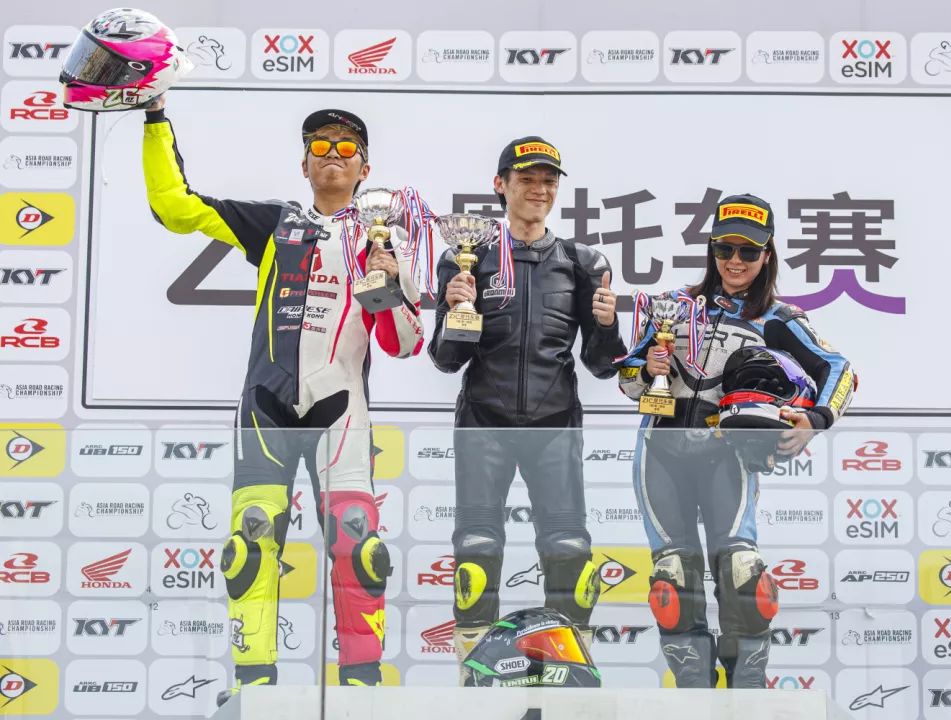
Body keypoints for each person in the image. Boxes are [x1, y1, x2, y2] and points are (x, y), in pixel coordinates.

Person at [142, 96, 425, 695]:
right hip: (266, 404)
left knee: (357, 544)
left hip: (341, 408)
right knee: (250, 541)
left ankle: (361, 688)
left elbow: (403, 344)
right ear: (304, 164)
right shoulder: (276, 223)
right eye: (320, 146)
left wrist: (383, 281)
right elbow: (174, 207)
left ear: (365, 168)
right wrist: (154, 117)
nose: (332, 155)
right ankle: (254, 688)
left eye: (346, 148)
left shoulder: (387, 241)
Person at [617, 193, 855, 688]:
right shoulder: (674, 306)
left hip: (728, 456)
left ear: (767, 255)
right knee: (673, 583)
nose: (735, 261)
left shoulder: (778, 318)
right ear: (712, 250)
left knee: (743, 578)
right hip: (659, 452)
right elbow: (630, 382)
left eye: (748, 251)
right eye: (725, 249)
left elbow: (840, 370)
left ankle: (748, 697)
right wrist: (646, 367)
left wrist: (814, 420)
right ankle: (696, 697)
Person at [428, 136, 627, 678]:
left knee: (568, 551)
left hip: (554, 424)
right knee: (476, 551)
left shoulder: (582, 262)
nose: (539, 189)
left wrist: (608, 324)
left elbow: (603, 364)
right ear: (501, 185)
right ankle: (473, 674)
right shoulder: (465, 258)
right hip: (482, 423)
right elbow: (446, 360)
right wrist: (458, 311)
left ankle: (571, 673)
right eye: (527, 179)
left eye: (548, 181)